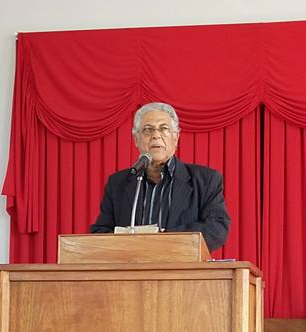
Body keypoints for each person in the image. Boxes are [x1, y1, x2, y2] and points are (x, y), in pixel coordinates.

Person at [89, 102, 230, 251]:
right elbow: (100, 232)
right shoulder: (117, 183)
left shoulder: (205, 180)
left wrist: (161, 240)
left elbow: (217, 229)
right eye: (148, 130)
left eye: (164, 129)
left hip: (181, 264)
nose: (156, 135)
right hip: (130, 264)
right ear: (136, 139)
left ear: (176, 138)